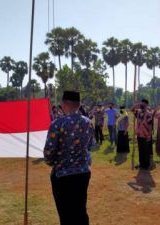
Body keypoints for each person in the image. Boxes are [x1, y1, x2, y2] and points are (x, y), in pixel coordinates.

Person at [43, 91, 94, 225]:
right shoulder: (88, 123)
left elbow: (48, 152)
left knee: (66, 214)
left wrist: (53, 162)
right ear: (79, 105)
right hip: (83, 173)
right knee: (80, 211)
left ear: (64, 104)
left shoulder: (58, 124)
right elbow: (90, 146)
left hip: (63, 175)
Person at [131, 99, 153, 170]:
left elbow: (150, 126)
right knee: (140, 150)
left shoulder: (149, 114)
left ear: (146, 105)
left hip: (146, 135)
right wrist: (136, 105)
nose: (141, 105)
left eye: (143, 104)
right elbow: (132, 110)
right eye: (141, 104)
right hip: (139, 134)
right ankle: (141, 164)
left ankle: (146, 165)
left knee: (146, 150)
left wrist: (149, 135)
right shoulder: (139, 112)